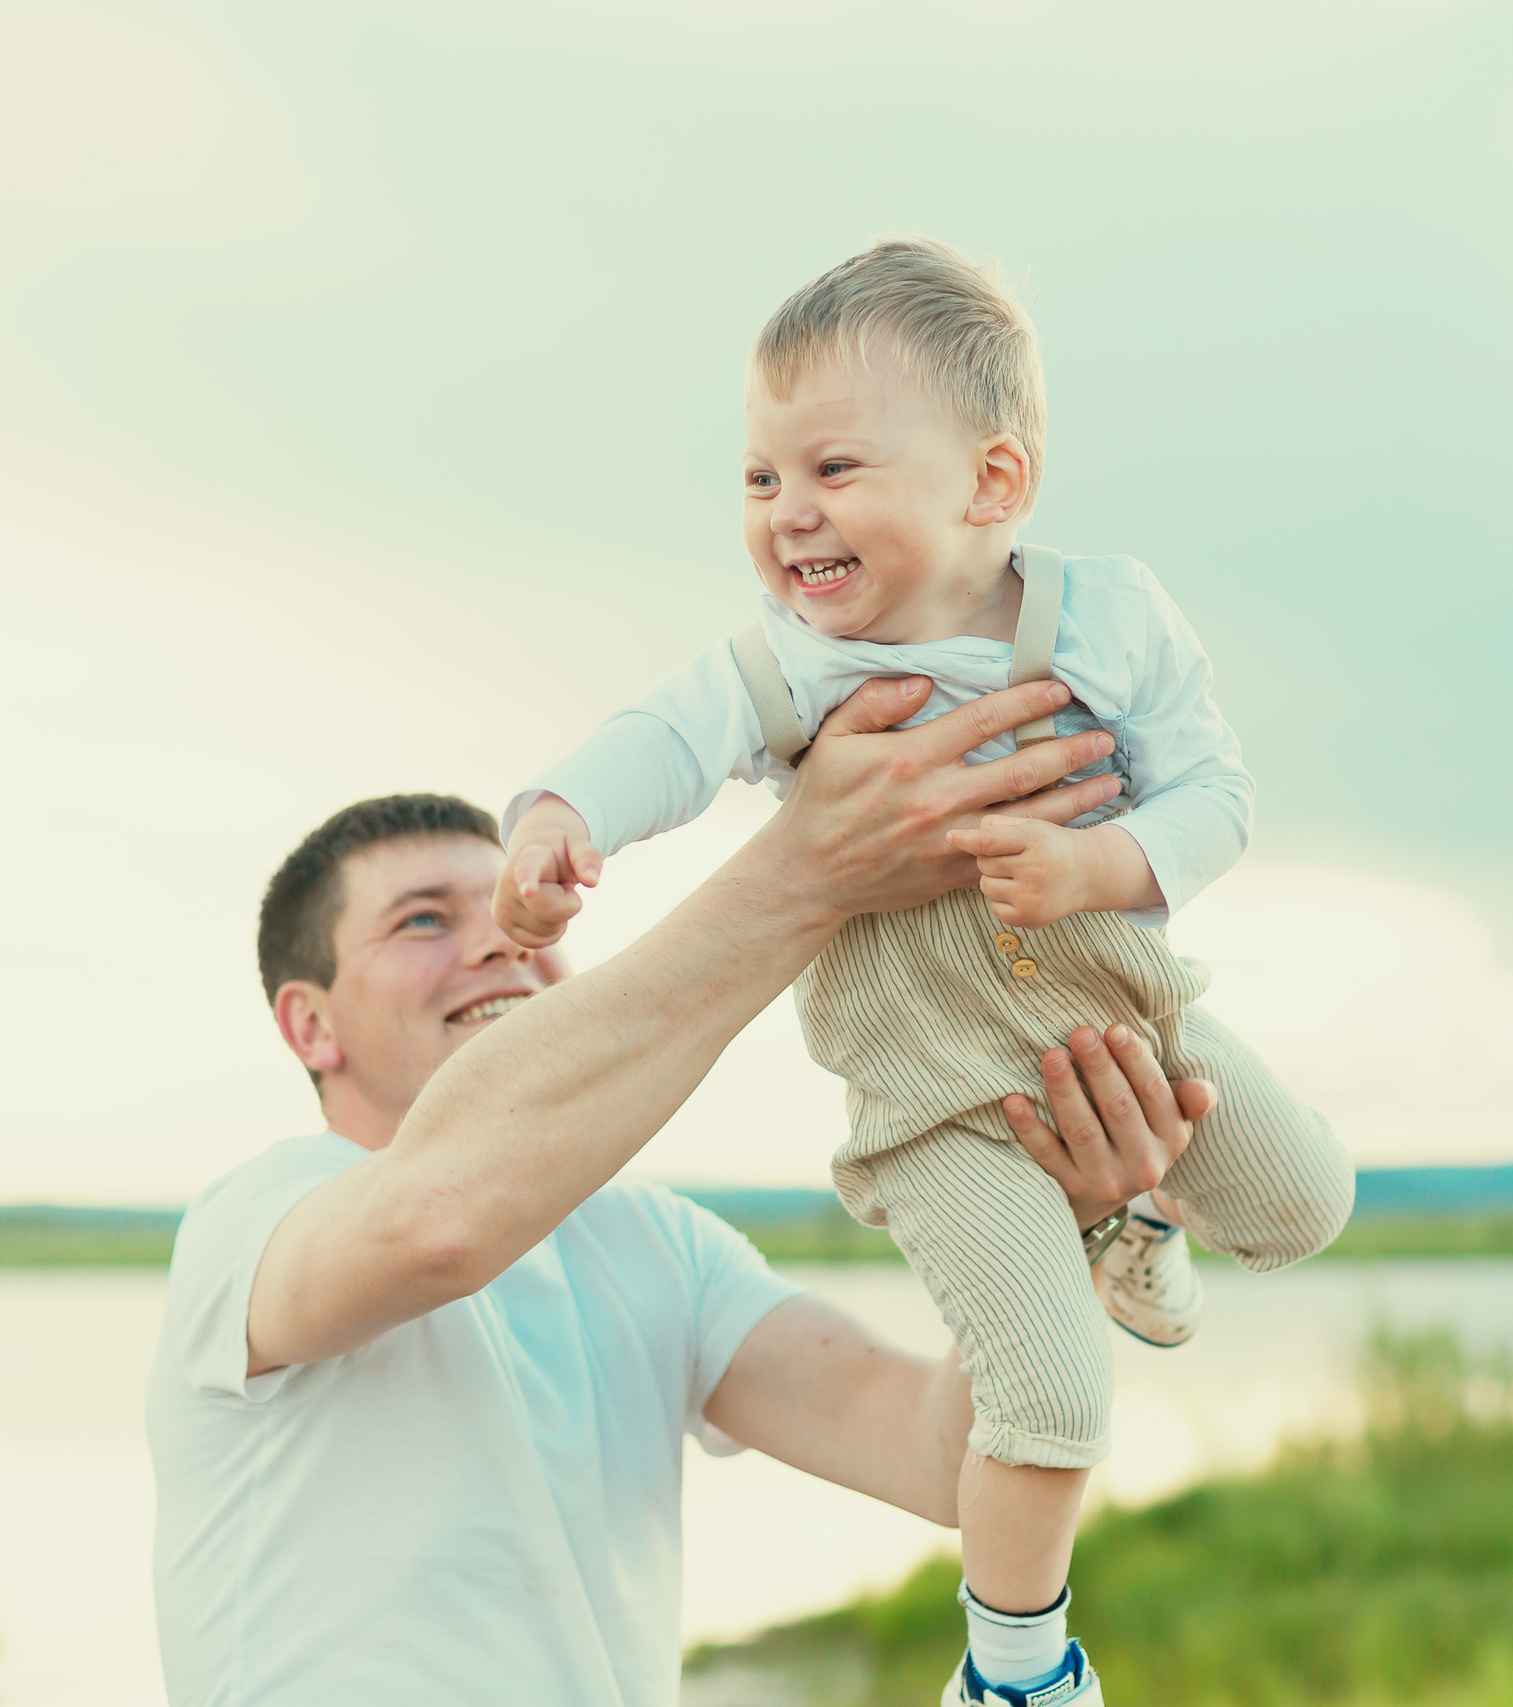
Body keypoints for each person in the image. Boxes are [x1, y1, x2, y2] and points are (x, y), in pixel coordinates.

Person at [491, 239, 1356, 1706]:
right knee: (1051, 1397)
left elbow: (1217, 792)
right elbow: (659, 737)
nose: (789, 513)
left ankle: (1135, 1209)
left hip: (1123, 1015)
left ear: (993, 484)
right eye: (760, 480)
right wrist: (556, 817)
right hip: (937, 1103)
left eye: (833, 468)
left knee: (1307, 1198)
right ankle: (1018, 1664)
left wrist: (1104, 865)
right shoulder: (785, 673)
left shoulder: (1106, 616)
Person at [146, 671, 1216, 1706]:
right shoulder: (256, 1214)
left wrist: (1068, 1220)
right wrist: (809, 870)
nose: (498, 942)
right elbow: (437, 1225)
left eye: (516, 908)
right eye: (423, 920)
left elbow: (932, 1454)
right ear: (309, 1026)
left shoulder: (655, 1246)